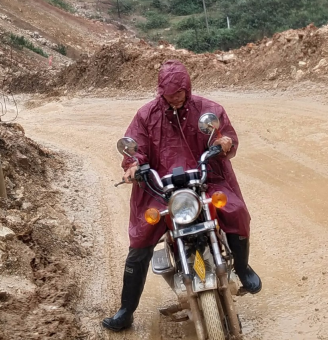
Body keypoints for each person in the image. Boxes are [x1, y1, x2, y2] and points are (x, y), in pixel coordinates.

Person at [102, 60, 262, 332]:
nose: (175, 99)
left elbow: (224, 138)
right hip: (161, 188)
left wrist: (224, 142)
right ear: (160, 91)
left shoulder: (209, 110)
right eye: (170, 95)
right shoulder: (146, 115)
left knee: (235, 210)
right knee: (141, 235)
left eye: (180, 94)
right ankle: (126, 310)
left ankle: (244, 269)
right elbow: (136, 149)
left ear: (188, 89)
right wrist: (133, 165)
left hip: (205, 179)